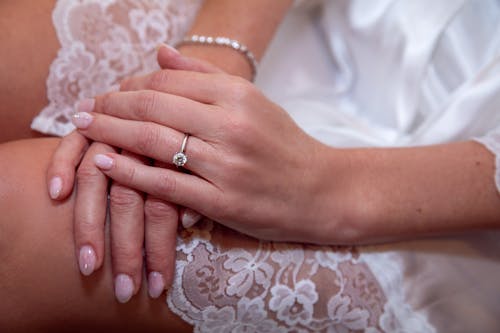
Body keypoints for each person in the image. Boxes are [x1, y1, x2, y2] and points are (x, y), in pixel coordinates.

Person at [1, 1, 500, 333]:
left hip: (457, 210)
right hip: (337, 17)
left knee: (16, 219)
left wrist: (328, 190)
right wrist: (217, 50)